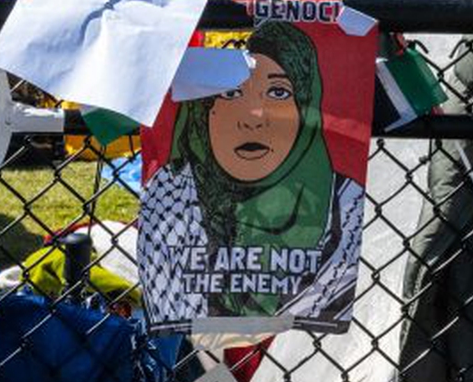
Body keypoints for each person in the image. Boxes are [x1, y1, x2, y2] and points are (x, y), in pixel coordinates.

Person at [134, 20, 364, 332]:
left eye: (279, 92)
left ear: (305, 105)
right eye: (230, 93)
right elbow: (169, 294)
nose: (253, 118)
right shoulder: (172, 188)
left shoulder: (343, 202)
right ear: (204, 110)